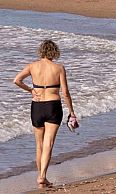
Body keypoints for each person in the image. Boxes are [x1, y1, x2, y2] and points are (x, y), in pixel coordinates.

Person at [14, 40, 77, 188]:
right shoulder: (59, 68)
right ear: (54, 52)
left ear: (41, 51)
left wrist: (31, 90)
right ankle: (42, 176)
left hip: (37, 106)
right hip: (53, 106)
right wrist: (72, 112)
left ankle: (41, 176)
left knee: (39, 144)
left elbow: (17, 80)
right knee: (49, 143)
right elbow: (65, 93)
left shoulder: (32, 66)